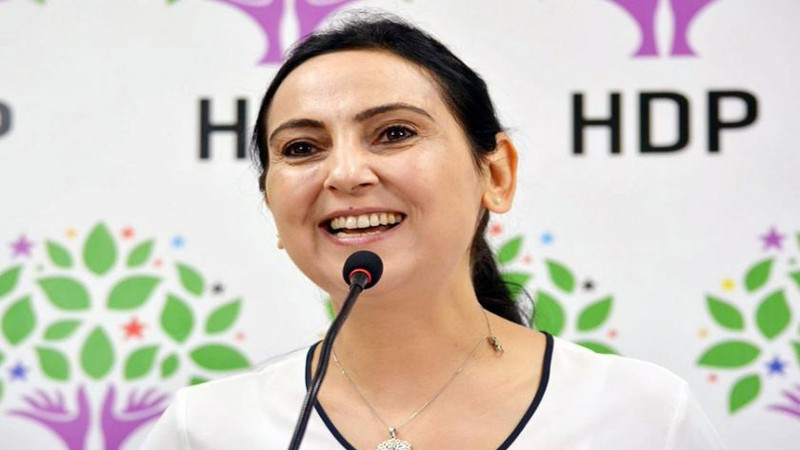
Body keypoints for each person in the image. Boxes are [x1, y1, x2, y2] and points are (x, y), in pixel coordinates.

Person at [141, 14, 726, 449]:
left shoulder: (642, 414)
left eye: (395, 133)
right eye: (301, 148)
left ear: (495, 175)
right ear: (271, 204)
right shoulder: (206, 429)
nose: (344, 174)